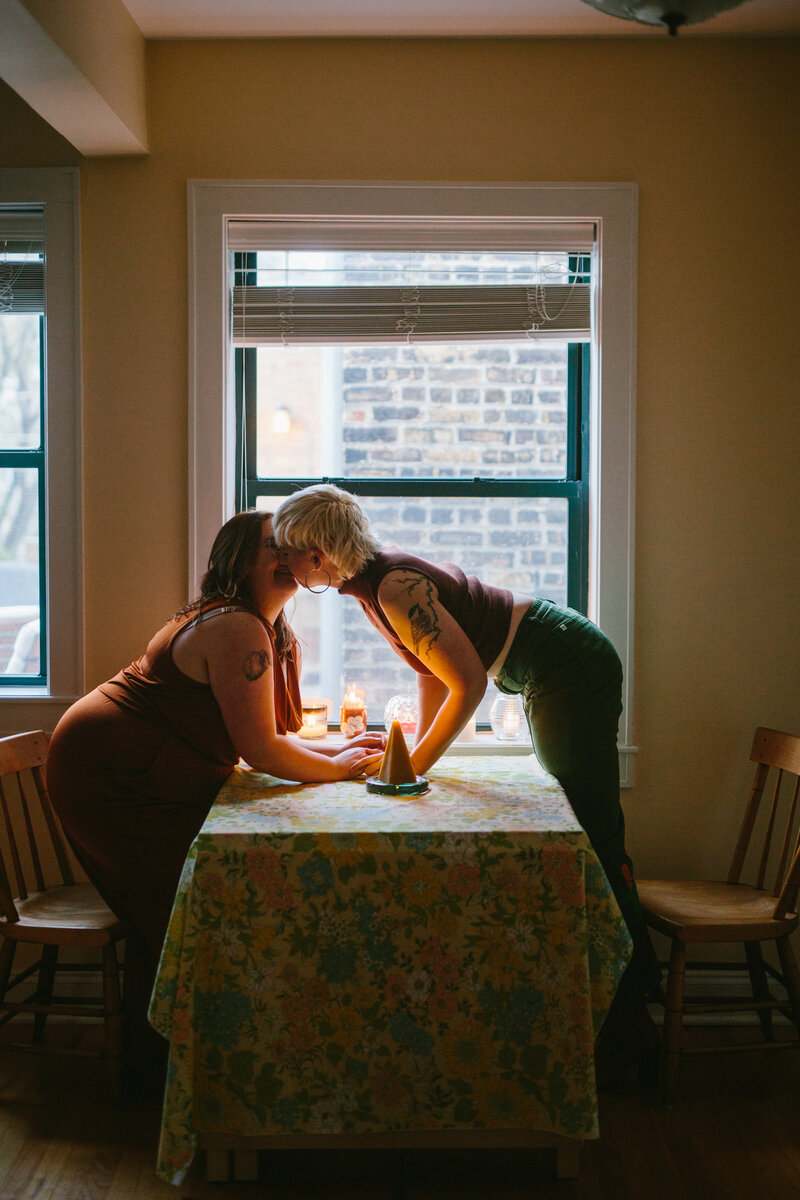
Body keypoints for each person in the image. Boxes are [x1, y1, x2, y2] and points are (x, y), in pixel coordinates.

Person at [273, 484, 661, 1086]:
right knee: (586, 823)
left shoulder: (394, 588)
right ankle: (623, 1012)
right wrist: (412, 757)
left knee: (591, 829)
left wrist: (417, 767)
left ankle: (633, 1019)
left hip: (566, 662)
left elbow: (470, 684)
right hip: (547, 662)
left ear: (318, 553)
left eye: (287, 553)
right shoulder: (377, 585)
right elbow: (437, 673)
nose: (282, 565)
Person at [46, 510, 383, 1082]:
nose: (287, 555)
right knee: (197, 894)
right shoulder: (235, 626)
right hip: (109, 780)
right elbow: (261, 750)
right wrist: (340, 768)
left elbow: (270, 739)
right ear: (236, 559)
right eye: (272, 547)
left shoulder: (261, 625)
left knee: (215, 887)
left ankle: (207, 1054)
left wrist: (338, 756)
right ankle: (176, 1066)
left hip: (143, 775)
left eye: (293, 546)